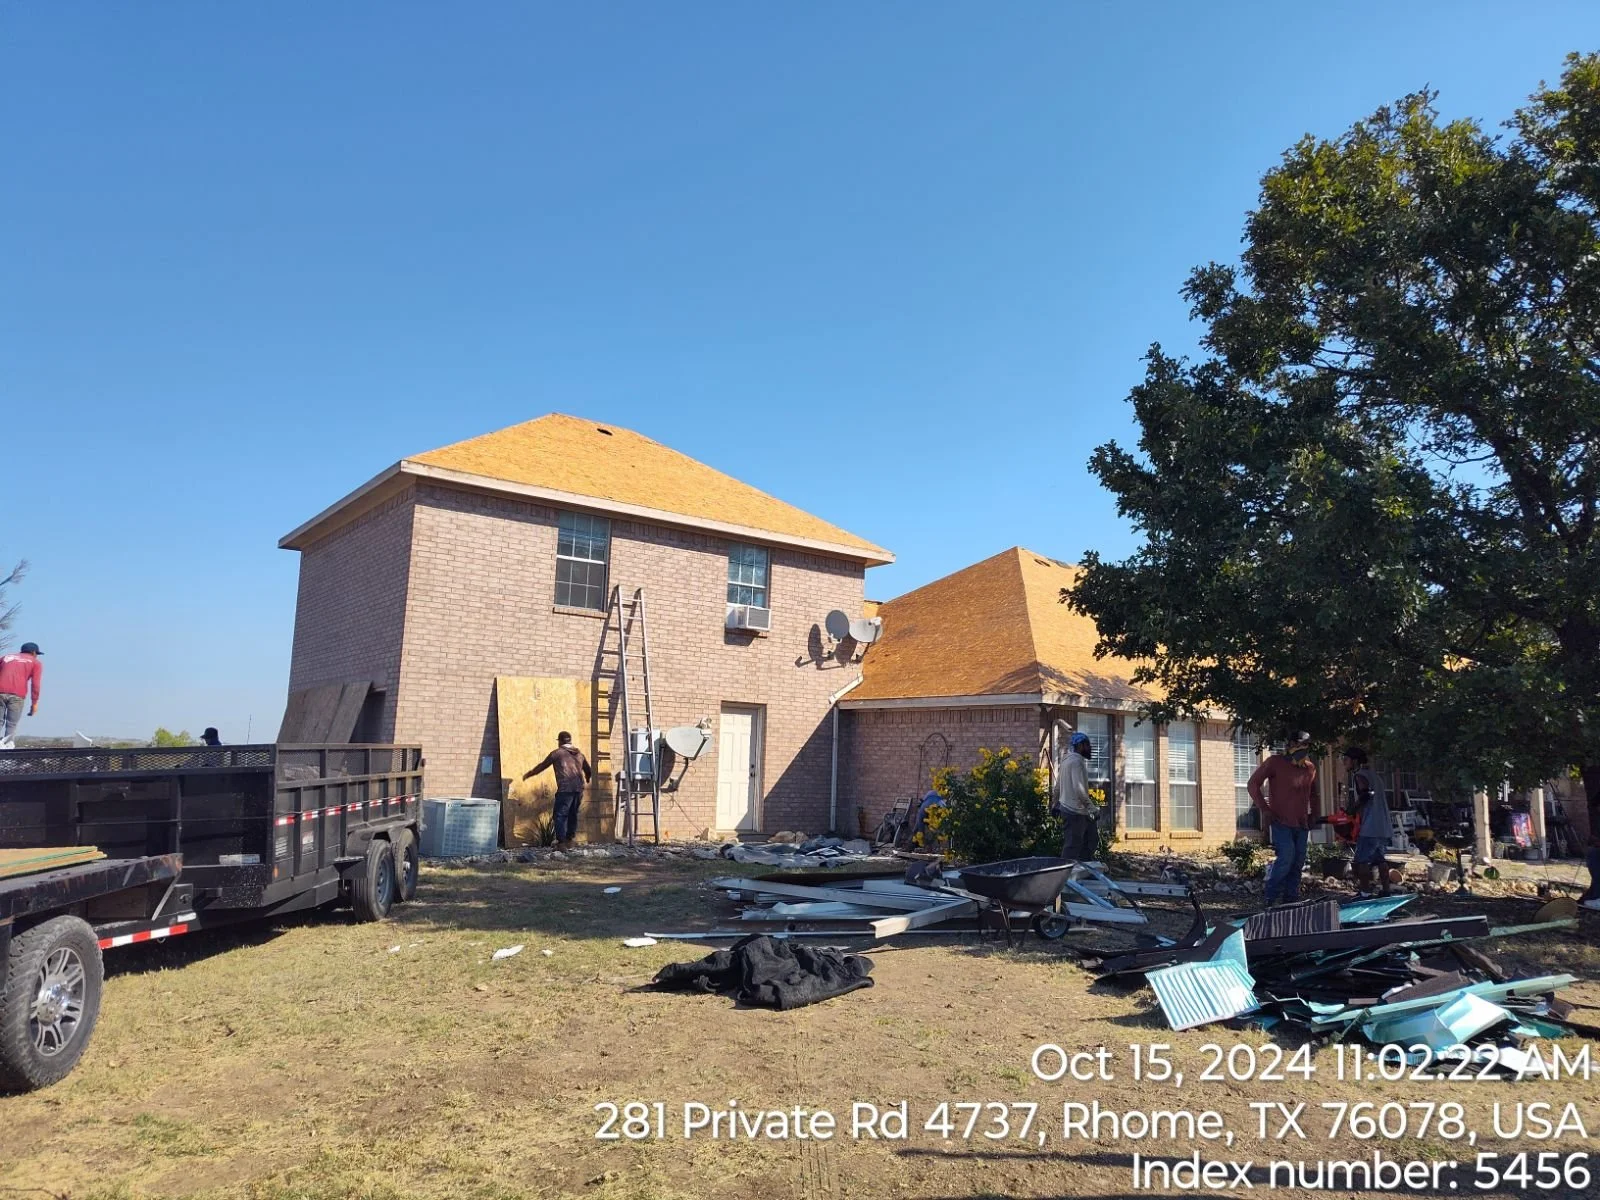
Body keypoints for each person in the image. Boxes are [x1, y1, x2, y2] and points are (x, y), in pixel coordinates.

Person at [1247, 731, 1318, 907]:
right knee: (1286, 856)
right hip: (1281, 821)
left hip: (1301, 824)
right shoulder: (1275, 762)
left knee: (1298, 860)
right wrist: (1265, 809)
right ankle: (1271, 899)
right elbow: (1253, 784)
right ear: (1290, 744)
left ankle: (1290, 899)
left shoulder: (1309, 768)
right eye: (1299, 744)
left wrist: (1314, 814)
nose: (1303, 748)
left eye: (1306, 745)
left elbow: (1314, 794)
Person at [524, 731, 592, 849]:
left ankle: (561, 843)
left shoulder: (557, 753)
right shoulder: (579, 754)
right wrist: (587, 778)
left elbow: (542, 766)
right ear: (570, 741)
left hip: (565, 789)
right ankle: (570, 840)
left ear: (560, 742)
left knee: (560, 815)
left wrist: (530, 774)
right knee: (573, 814)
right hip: (579, 789)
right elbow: (588, 769)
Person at [1342, 746, 1392, 897]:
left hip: (1370, 826)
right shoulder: (1375, 776)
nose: (1344, 763)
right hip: (1383, 826)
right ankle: (1386, 891)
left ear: (1355, 761)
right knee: (1380, 859)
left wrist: (1351, 810)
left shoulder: (1360, 775)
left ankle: (1365, 893)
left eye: (1346, 760)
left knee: (1360, 862)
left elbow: (1365, 794)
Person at [1053, 731, 1101, 861]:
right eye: (1087, 745)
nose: (1089, 748)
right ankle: (1064, 874)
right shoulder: (1076, 762)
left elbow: (1057, 786)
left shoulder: (1066, 761)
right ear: (1080, 746)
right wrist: (1092, 809)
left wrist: (1054, 804)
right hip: (1074, 811)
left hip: (1077, 810)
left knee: (1091, 839)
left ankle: (1083, 868)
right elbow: (1079, 789)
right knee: (1072, 845)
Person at [0, 641, 42, 749]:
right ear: (33, 652)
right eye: (36, 654)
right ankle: (7, 748)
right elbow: (35, 684)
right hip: (17, 695)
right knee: (12, 723)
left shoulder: (5, 657)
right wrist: (34, 703)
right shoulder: (35, 662)